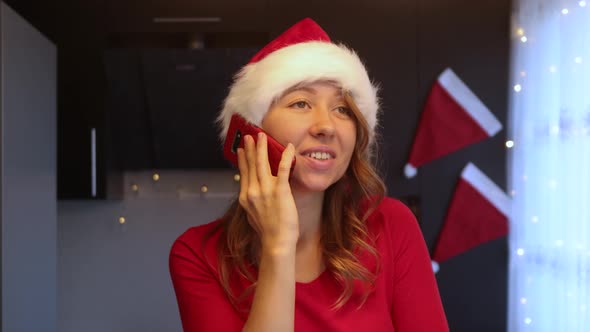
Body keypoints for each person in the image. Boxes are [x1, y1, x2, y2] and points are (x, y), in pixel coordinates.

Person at [169, 18, 449, 332]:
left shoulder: (391, 226)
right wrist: (278, 247)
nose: (326, 126)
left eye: (343, 109)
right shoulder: (197, 254)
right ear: (249, 131)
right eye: (301, 103)